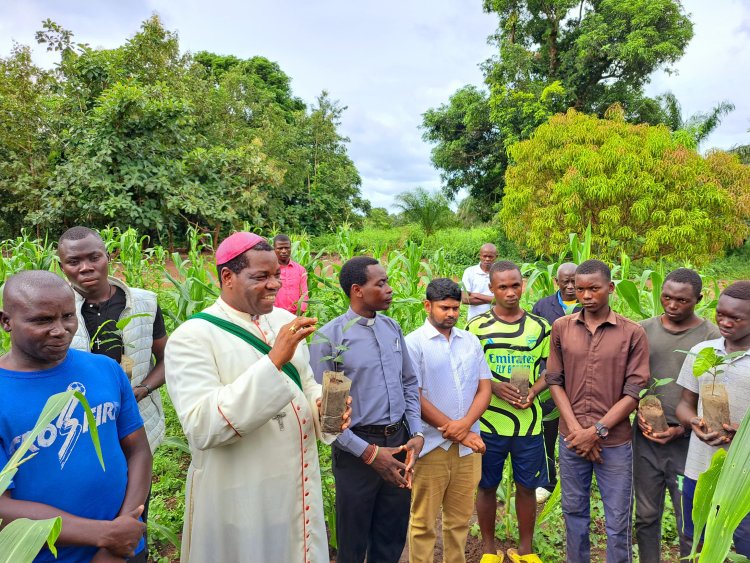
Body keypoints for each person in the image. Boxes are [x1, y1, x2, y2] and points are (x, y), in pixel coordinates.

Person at [164, 232, 348, 562]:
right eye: (260, 277)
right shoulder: (192, 336)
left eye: (276, 274)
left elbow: (304, 384)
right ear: (227, 277)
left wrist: (323, 406)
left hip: (296, 486)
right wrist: (274, 360)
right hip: (241, 497)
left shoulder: (284, 321)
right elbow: (202, 426)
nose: (274, 284)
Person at [0, 270, 152, 562]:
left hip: (124, 546)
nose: (60, 330)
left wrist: (122, 533)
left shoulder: (105, 369)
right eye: (42, 320)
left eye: (68, 316)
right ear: (6, 321)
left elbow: (138, 450)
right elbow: (3, 507)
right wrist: (103, 535)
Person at [309, 256, 423, 563]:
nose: (389, 289)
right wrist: (369, 454)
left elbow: (409, 382)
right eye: (381, 283)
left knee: (391, 533)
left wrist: (416, 431)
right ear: (357, 290)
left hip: (398, 444)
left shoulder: (392, 328)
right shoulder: (330, 339)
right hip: (356, 453)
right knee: (353, 539)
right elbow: (328, 417)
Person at [545, 259, 649, 563]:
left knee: (618, 520)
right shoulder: (562, 328)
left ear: (610, 288)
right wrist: (579, 432)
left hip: (614, 442)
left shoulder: (632, 333)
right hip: (572, 440)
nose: (587, 295)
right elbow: (554, 380)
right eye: (580, 290)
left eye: (594, 289)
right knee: (574, 512)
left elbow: (634, 391)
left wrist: (597, 431)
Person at [466, 261, 550, 563]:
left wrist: (534, 392)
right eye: (503, 286)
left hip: (528, 424)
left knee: (527, 487)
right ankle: (489, 549)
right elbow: (468, 372)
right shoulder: (476, 328)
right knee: (486, 486)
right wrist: (495, 388)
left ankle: (525, 550)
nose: (510, 292)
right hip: (488, 424)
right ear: (491, 289)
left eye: (515, 285)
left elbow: (551, 370)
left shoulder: (540, 327)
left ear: (523, 285)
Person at [634, 269, 720, 563]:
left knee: (690, 519)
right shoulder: (641, 330)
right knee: (645, 515)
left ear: (698, 299)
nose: (672, 305)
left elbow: (716, 394)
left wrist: (682, 429)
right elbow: (630, 380)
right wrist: (638, 411)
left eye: (682, 300)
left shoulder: (712, 338)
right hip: (646, 439)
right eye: (667, 297)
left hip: (691, 443)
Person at [57, 226, 168, 455]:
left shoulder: (144, 303)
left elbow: (168, 358)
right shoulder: (53, 310)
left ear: (108, 257)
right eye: (74, 261)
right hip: (79, 425)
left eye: (94, 257)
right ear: (62, 267)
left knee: (139, 479)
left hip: (137, 420)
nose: (86, 268)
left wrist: (142, 389)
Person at [405, 278, 492, 563]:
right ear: (427, 306)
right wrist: (462, 433)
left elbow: (484, 388)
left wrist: (464, 427)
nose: (451, 314)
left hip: (468, 450)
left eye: (456, 308)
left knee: (459, 521)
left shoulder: (470, 341)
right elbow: (414, 397)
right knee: (423, 523)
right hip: (430, 448)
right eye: (444, 308)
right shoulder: (413, 344)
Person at [676, 281, 750, 558]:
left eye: (736, 318)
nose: (725, 322)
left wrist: (743, 434)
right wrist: (693, 422)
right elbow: (684, 404)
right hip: (700, 467)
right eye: (721, 314)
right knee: (696, 541)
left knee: (745, 543)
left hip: (744, 476)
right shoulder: (702, 352)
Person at [531, 261, 579, 503]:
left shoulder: (589, 304)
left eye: (574, 281)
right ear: (556, 282)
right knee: (547, 432)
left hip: (581, 382)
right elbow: (533, 342)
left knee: (577, 431)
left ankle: (576, 482)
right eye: (565, 282)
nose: (571, 287)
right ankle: (548, 481)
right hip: (550, 382)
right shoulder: (542, 306)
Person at [273, 233, 309, 315]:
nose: (284, 251)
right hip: (274, 316)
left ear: (291, 248)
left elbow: (304, 294)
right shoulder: (268, 270)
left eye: (287, 248)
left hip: (296, 316)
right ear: (274, 249)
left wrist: (299, 313)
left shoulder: (301, 270)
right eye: (280, 248)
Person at [461, 243, 497, 320]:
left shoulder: (501, 272)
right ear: (480, 256)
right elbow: (465, 299)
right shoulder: (469, 272)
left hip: (496, 319)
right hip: (474, 319)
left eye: (490, 256)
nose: (487, 259)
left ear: (496, 257)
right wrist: (492, 300)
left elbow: (502, 300)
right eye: (484, 256)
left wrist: (476, 295)